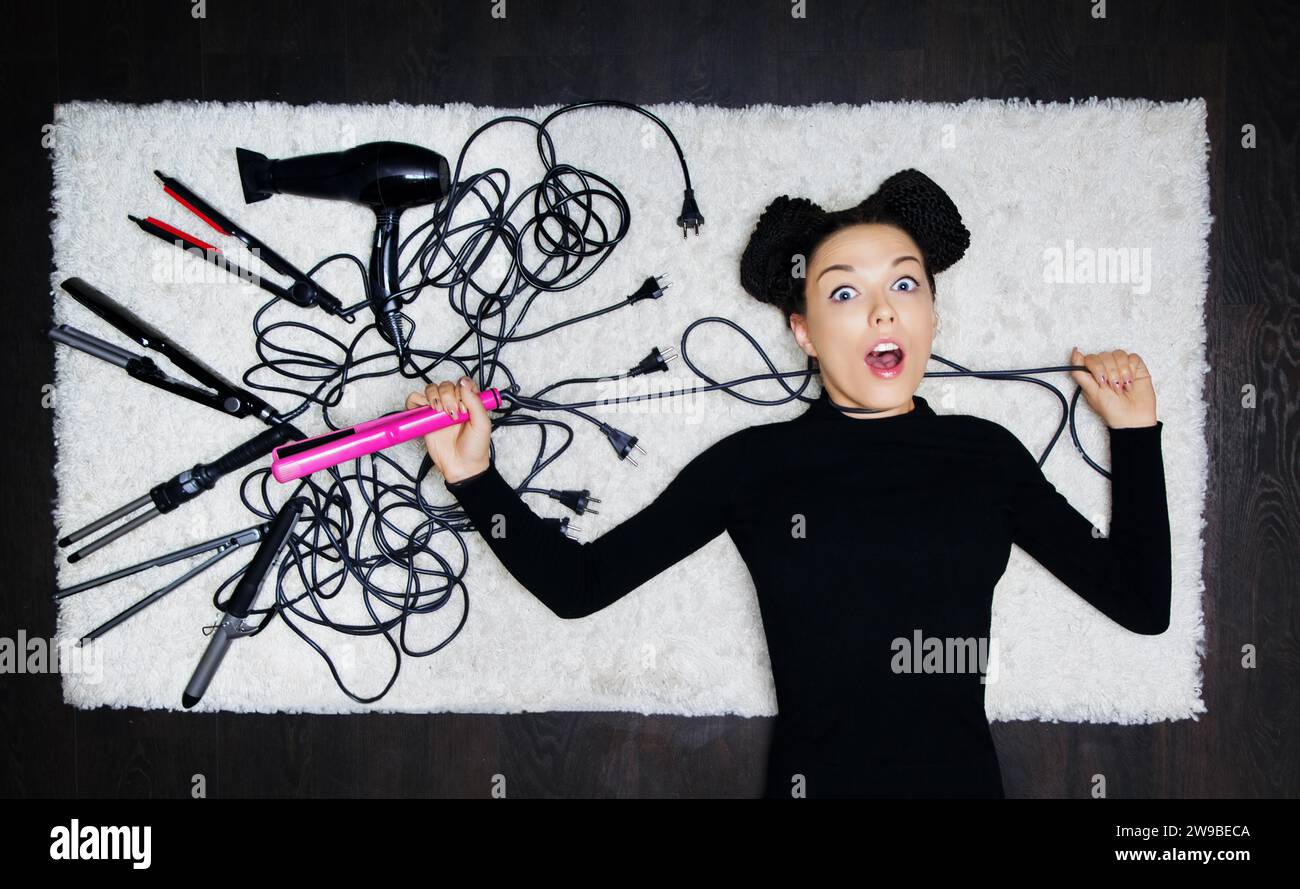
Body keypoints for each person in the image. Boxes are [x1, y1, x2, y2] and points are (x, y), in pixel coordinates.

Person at [407, 168, 1172, 799]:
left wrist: (1136, 436)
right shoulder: (755, 466)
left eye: (906, 286)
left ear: (933, 314)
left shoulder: (987, 455)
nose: (881, 310)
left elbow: (1140, 604)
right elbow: (580, 586)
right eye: (844, 293)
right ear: (802, 329)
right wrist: (473, 474)